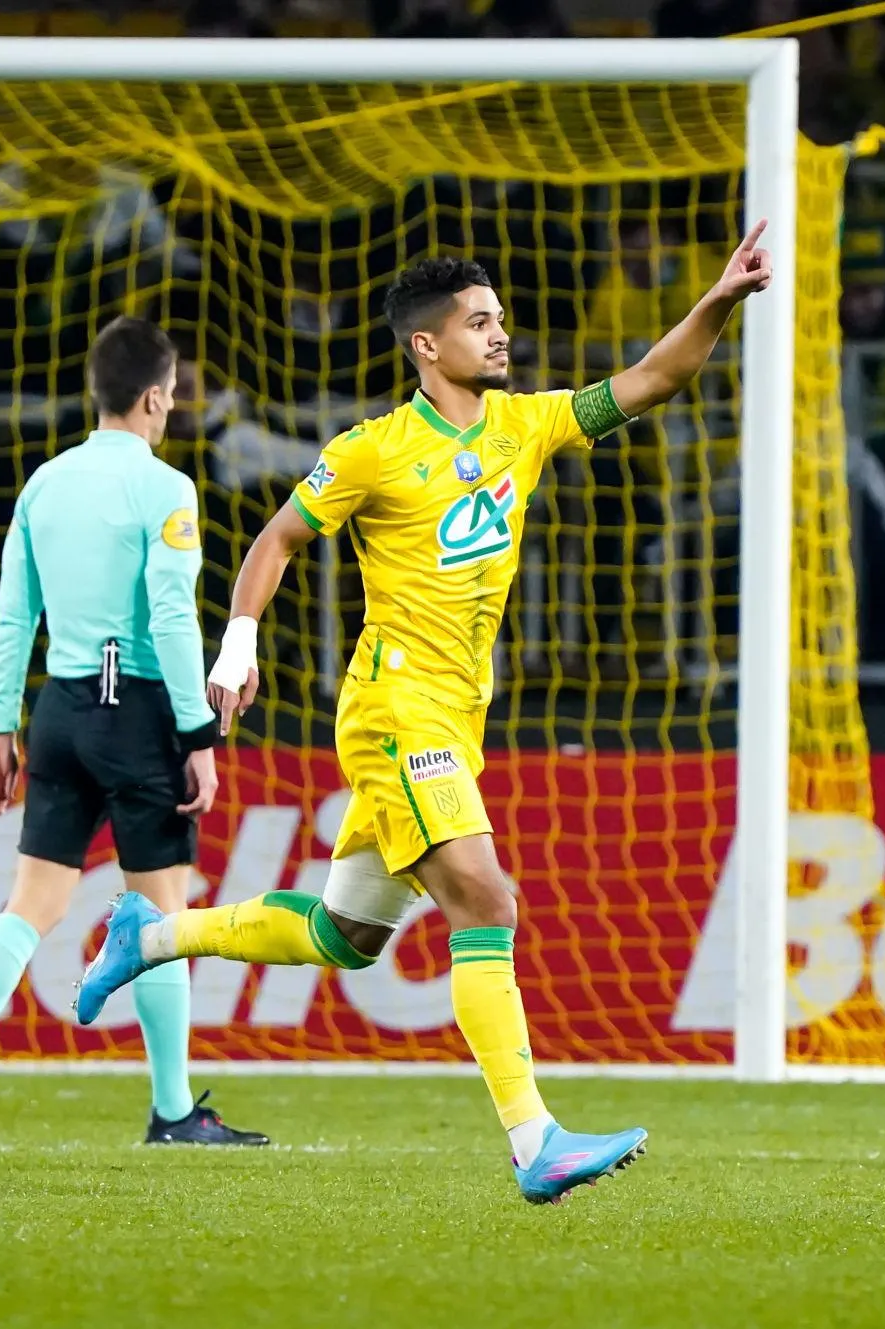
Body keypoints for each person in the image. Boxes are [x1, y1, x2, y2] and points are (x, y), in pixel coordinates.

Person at [75, 233, 774, 1204]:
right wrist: (237, 643)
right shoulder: (372, 451)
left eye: (498, 320)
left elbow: (655, 378)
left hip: (455, 715)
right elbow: (277, 540)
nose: (500, 336)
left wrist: (719, 298)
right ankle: (535, 1140)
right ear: (426, 347)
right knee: (487, 902)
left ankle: (148, 937)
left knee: (343, 935)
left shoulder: (521, 426)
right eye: (478, 323)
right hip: (397, 711)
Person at [0, 316, 264, 1149]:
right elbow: (171, 616)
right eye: (173, 391)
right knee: (161, 912)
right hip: (136, 709)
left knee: (28, 905)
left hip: (60, 711)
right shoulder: (163, 489)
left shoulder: (44, 483)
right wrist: (197, 733)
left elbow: (13, 616)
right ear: (156, 396)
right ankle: (174, 1110)